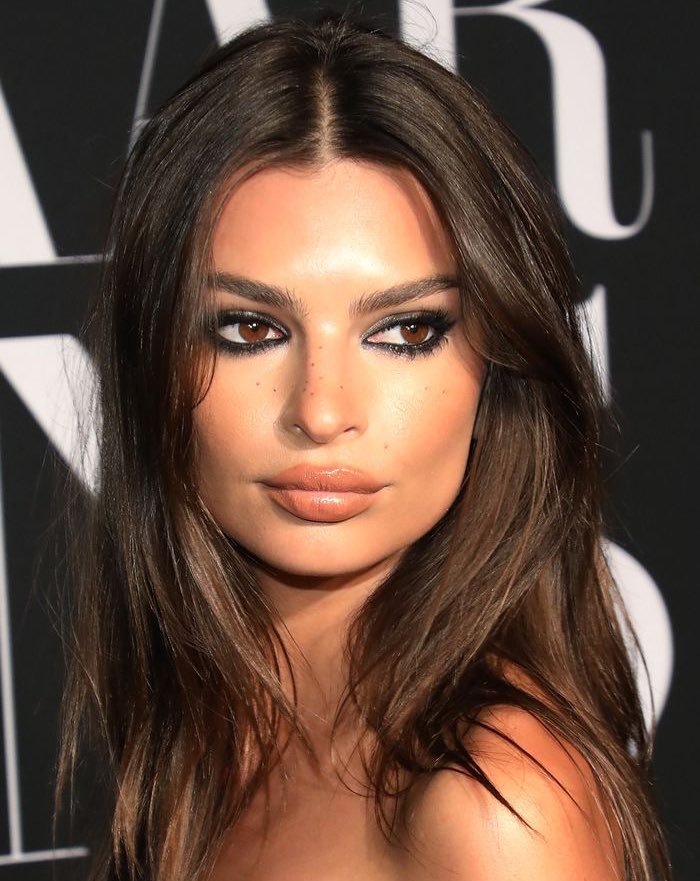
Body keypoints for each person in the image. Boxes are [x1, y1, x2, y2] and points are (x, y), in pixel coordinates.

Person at [57, 10, 671, 881]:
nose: (321, 410)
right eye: (249, 328)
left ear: (496, 369)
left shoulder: (495, 805)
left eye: (407, 330)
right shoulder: (200, 740)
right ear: (152, 359)